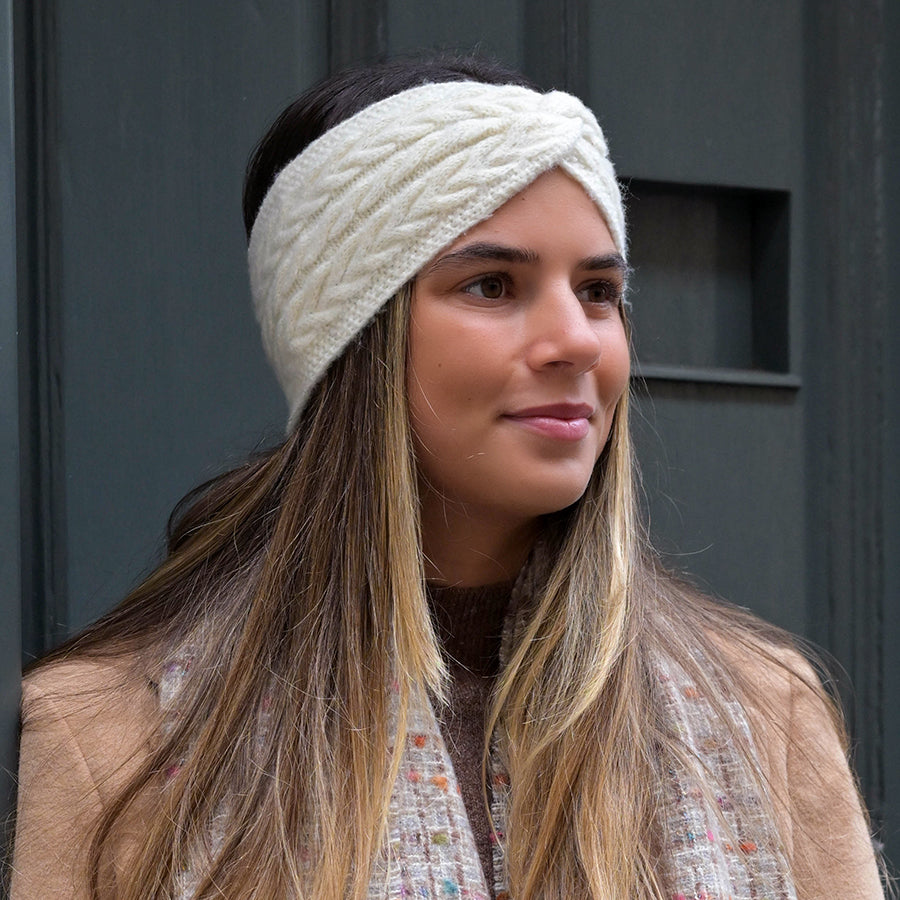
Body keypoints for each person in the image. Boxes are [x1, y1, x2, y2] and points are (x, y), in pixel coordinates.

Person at [10, 55, 886, 900]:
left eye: (598, 290)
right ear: (350, 343)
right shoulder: (118, 739)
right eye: (494, 285)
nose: (578, 339)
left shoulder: (764, 714)